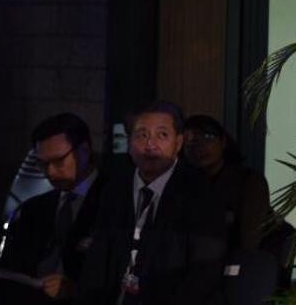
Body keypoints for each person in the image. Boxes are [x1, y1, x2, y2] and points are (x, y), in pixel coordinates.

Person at [77, 102, 225, 305]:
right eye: (142, 135)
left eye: (162, 135)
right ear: (129, 142)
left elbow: (203, 275)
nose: (150, 145)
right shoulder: (115, 188)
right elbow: (96, 264)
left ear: (178, 143)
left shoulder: (200, 193)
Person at [0, 114, 107, 303]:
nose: (50, 172)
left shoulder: (113, 202)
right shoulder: (34, 208)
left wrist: (76, 289)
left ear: (84, 151)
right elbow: (14, 264)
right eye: (42, 164)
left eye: (59, 161)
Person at [179, 116, 273, 259]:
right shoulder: (181, 182)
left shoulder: (249, 181)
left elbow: (250, 239)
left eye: (208, 138)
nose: (200, 147)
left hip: (237, 263)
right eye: (192, 142)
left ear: (223, 141)